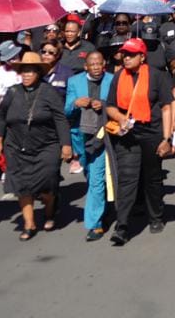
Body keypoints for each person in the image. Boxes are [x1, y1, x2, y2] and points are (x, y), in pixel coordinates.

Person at [0, 52, 71, 241]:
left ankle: (50, 209)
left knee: (48, 182)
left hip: (46, 145)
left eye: (31, 71)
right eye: (23, 71)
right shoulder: (12, 92)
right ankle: (29, 223)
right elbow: (1, 116)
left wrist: (66, 145)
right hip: (17, 146)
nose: (26, 75)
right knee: (23, 185)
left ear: (38, 73)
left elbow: (60, 119)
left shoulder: (49, 92)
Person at [106, 38, 175, 246]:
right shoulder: (118, 77)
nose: (126, 58)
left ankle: (155, 216)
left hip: (152, 133)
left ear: (142, 57)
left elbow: (166, 107)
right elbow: (109, 106)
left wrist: (166, 138)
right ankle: (122, 226)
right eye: (124, 54)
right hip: (127, 135)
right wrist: (120, 118)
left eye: (131, 54)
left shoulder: (157, 76)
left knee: (152, 178)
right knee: (127, 178)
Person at [64, 51, 115, 242]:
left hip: (105, 134)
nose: (95, 67)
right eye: (91, 64)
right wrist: (76, 103)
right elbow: (66, 110)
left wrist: (103, 105)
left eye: (99, 64)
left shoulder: (112, 79)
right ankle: (104, 204)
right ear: (85, 66)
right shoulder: (74, 82)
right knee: (90, 174)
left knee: (95, 178)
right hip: (82, 135)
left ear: (104, 65)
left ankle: (95, 224)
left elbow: (118, 104)